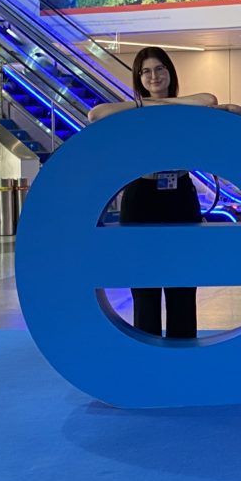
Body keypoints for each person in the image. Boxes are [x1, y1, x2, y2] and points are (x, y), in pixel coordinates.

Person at [87, 47, 230, 338]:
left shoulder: (185, 106)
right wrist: (146, 105)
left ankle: (182, 351)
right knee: (144, 284)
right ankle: (148, 354)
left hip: (180, 196)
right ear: (138, 78)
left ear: (170, 72)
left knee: (183, 283)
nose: (154, 76)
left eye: (160, 69)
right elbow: (95, 114)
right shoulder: (132, 112)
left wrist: (164, 104)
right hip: (142, 196)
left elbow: (209, 100)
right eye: (146, 71)